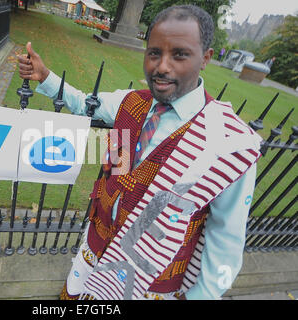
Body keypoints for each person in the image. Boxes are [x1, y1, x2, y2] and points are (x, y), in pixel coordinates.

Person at [18, 4, 262, 300]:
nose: (161, 66)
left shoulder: (228, 143)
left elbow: (226, 241)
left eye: (180, 54)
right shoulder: (130, 103)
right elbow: (85, 104)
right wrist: (45, 76)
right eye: (154, 52)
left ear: (205, 58)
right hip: (94, 250)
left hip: (150, 282)